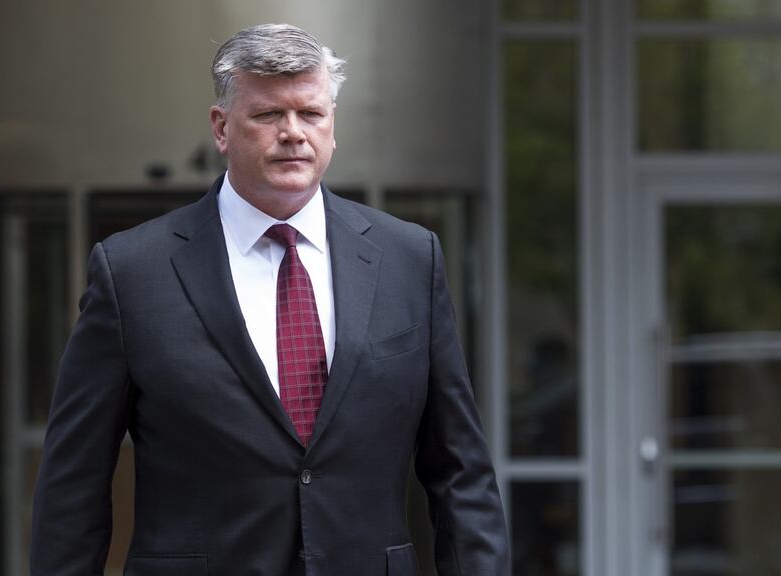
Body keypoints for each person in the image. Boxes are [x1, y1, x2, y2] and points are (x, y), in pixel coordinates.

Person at [31, 23, 509, 575]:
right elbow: (74, 482)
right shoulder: (133, 272)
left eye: (311, 114)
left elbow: (460, 472)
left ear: (333, 127)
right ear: (221, 127)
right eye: (267, 115)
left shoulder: (410, 259)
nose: (293, 133)